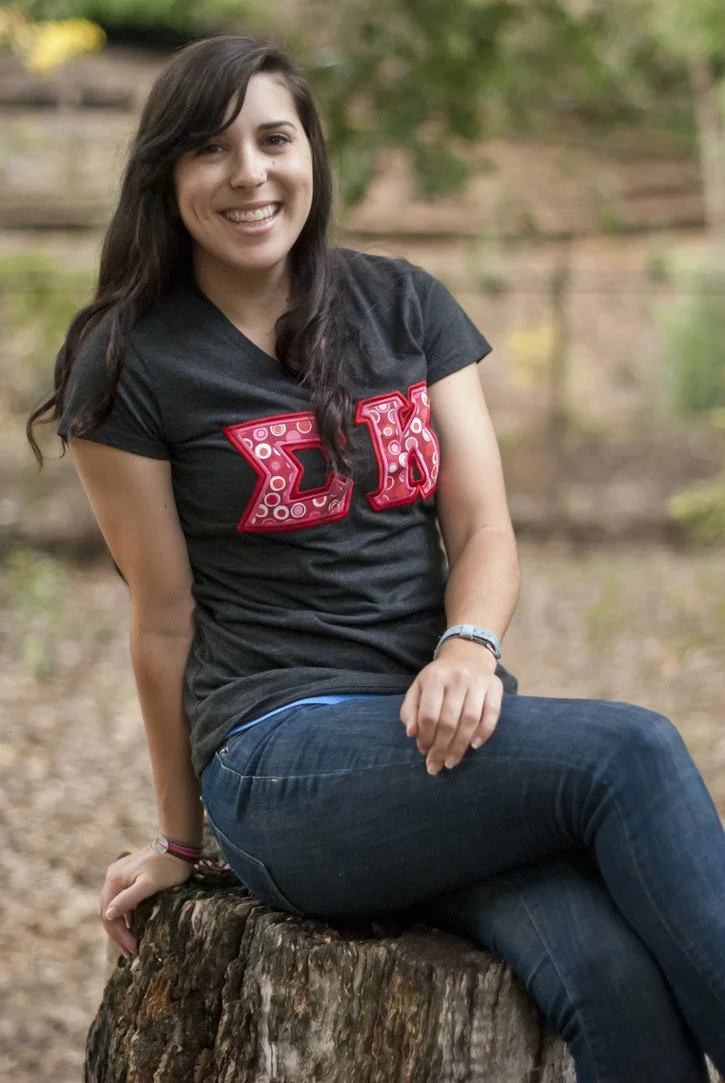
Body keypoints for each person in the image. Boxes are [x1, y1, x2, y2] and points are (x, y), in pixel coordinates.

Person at [28, 35, 725, 1083]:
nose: (251, 174)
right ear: (165, 173)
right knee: (627, 751)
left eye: (274, 139)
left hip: (447, 735)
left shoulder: (402, 304)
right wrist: (180, 845)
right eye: (212, 150)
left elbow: (482, 527)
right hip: (283, 757)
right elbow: (162, 618)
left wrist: (467, 646)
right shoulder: (130, 360)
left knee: (606, 970)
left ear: (310, 152)